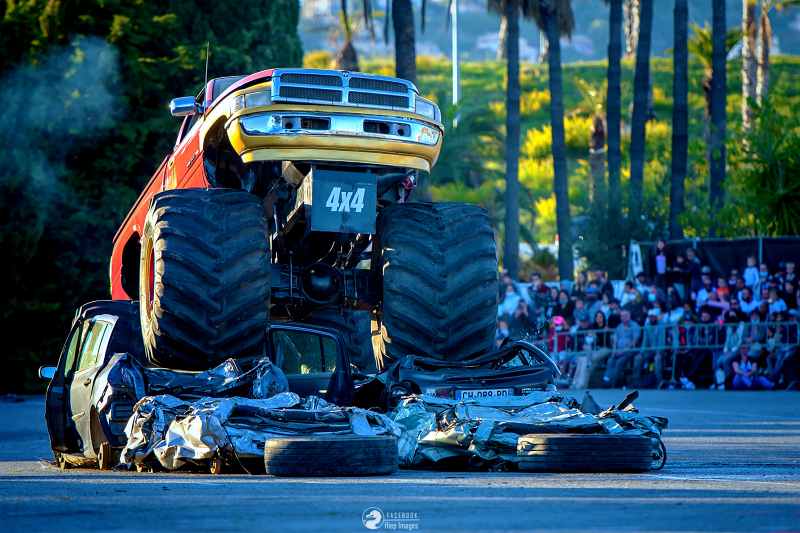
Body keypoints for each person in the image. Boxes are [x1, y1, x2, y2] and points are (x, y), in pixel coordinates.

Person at [633, 308, 675, 388]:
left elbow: (661, 342)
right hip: (649, 351)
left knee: (657, 358)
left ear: (656, 317)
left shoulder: (661, 326)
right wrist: (641, 353)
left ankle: (659, 381)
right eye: (650, 317)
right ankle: (636, 381)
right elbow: (644, 343)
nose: (651, 318)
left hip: (661, 350)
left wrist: (658, 353)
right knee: (638, 358)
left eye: (653, 317)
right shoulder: (647, 326)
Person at [603, 310, 641, 387]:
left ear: (629, 316)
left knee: (619, 362)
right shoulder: (619, 327)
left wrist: (623, 351)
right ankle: (606, 380)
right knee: (610, 360)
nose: (623, 317)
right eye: (621, 316)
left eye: (625, 315)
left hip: (630, 351)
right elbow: (615, 341)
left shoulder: (634, 325)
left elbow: (634, 342)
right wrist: (614, 351)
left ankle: (613, 384)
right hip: (618, 351)